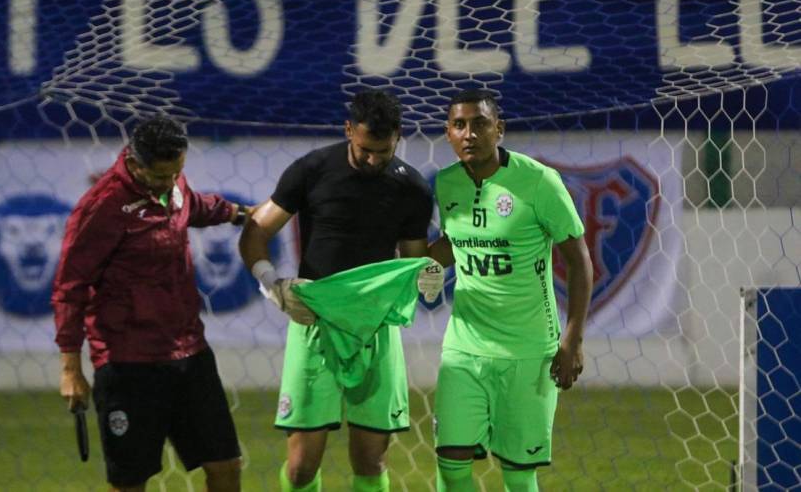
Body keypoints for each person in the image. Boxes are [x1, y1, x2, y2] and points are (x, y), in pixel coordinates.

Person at [239, 90, 444, 492]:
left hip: (375, 328)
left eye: (382, 152)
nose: (372, 160)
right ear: (349, 130)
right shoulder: (312, 170)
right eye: (365, 149)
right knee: (302, 467)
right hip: (316, 325)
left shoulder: (413, 189)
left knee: (370, 460)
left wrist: (430, 274)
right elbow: (255, 232)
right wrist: (271, 284)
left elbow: (415, 260)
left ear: (398, 137)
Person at [52, 115, 248, 492]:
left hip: (189, 353)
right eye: (160, 176)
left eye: (177, 172)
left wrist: (237, 213)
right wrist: (70, 369)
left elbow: (191, 205)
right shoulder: (101, 207)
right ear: (134, 162)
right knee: (131, 481)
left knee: (226, 465)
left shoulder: (172, 183)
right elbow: (69, 287)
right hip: (128, 362)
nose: (170, 182)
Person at [428, 89, 594, 492]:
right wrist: (414, 266)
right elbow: (457, 241)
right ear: (448, 133)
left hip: (528, 350)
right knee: (450, 462)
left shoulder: (539, 182)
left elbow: (579, 261)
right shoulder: (446, 184)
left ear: (498, 129)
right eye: (459, 125)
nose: (469, 134)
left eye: (480, 123)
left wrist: (572, 337)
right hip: (464, 348)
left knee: (518, 474)